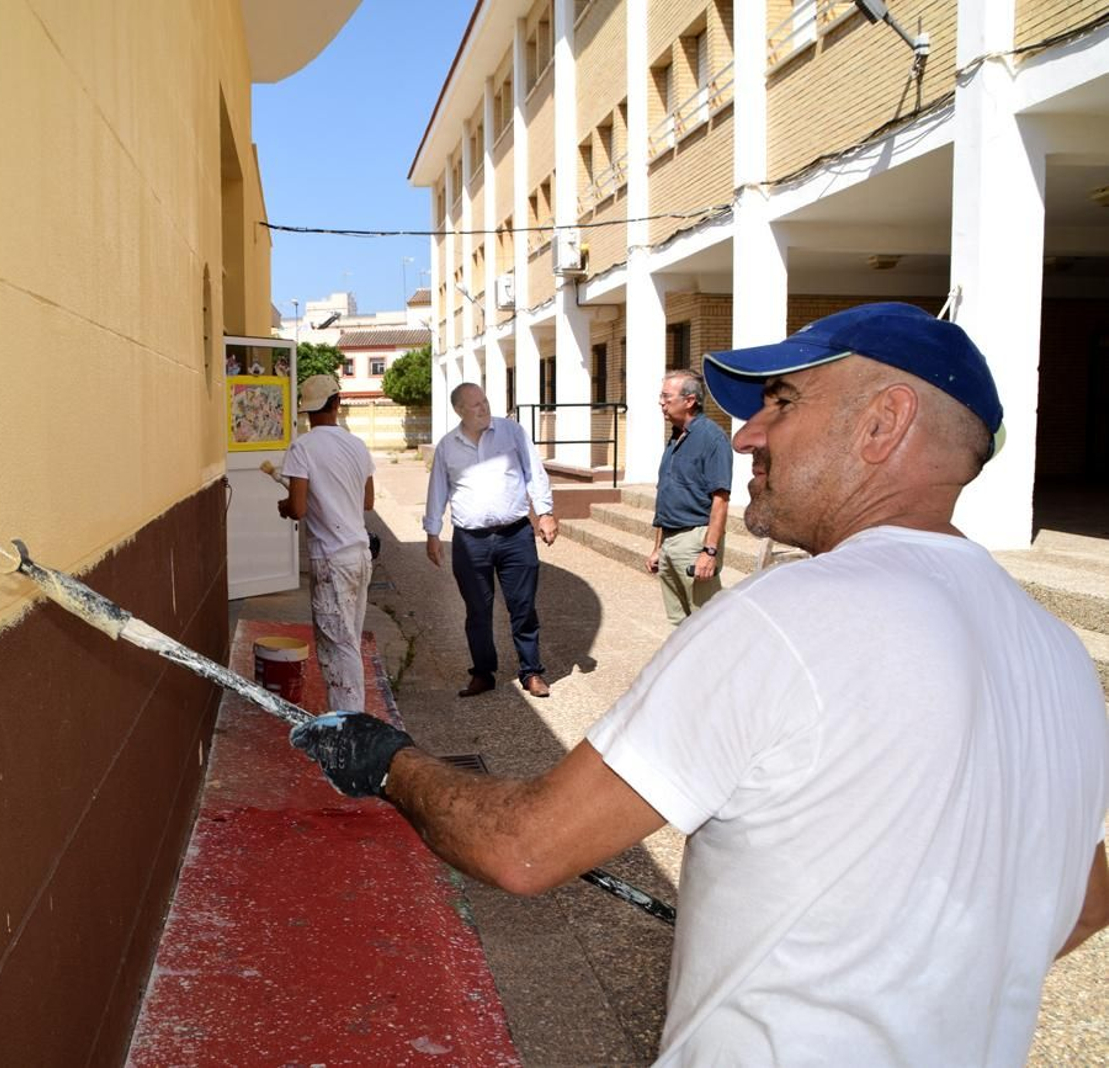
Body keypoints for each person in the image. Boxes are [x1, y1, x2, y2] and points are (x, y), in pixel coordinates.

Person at [291, 303, 1109, 1063]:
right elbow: (1083, 898)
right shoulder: (1058, 653)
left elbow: (524, 847)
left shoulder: (791, 618)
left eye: (783, 402)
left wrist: (390, 761)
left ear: (884, 423)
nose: (749, 435)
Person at [423, 382, 559, 699]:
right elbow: (437, 491)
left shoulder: (511, 432)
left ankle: (532, 671)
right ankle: (483, 673)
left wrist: (546, 513)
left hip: (516, 536)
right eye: (475, 405)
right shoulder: (448, 446)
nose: (483, 409)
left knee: (523, 606)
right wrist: (432, 533)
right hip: (471, 541)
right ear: (459, 410)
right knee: (477, 611)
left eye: (485, 401)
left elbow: (534, 472)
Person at [277, 374, 376, 713]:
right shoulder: (357, 445)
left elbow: (298, 508)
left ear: (306, 411)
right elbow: (368, 501)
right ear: (337, 403)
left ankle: (350, 725)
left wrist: (285, 507)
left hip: (331, 561)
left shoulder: (302, 447)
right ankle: (348, 716)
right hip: (360, 556)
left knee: (339, 646)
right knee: (348, 640)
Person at [648, 370, 732, 624]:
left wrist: (709, 551)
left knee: (706, 622)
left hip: (695, 539)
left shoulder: (712, 438)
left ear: (690, 400)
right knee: (679, 623)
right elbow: (666, 495)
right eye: (660, 396)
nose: (661, 402)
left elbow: (721, 499)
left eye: (666, 396)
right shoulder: (675, 437)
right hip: (670, 538)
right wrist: (657, 548)